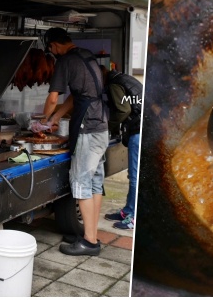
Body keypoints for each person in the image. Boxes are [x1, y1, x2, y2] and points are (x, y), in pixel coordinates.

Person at [40, 28, 109, 257]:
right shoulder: (86, 56)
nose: (51, 52)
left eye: (50, 49)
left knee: (80, 184)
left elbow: (53, 97)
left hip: (87, 128)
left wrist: (43, 120)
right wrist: (57, 117)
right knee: (95, 183)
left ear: (54, 45)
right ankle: (91, 234)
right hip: (101, 126)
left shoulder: (65, 61)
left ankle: (89, 242)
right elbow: (76, 96)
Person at [100, 66, 142, 231]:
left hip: (138, 131)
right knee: (133, 175)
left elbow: (124, 110)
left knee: (135, 177)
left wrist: (107, 125)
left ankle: (132, 218)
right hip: (139, 128)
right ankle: (127, 211)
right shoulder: (124, 78)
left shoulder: (114, 84)